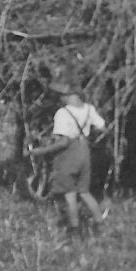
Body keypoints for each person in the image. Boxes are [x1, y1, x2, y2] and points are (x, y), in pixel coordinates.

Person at [25, 81, 107, 238]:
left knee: (69, 195)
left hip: (69, 155)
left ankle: (74, 230)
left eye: (61, 96)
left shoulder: (62, 113)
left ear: (70, 96)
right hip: (84, 152)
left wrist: (39, 151)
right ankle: (99, 226)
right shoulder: (89, 109)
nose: (60, 99)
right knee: (84, 192)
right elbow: (103, 127)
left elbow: (63, 142)